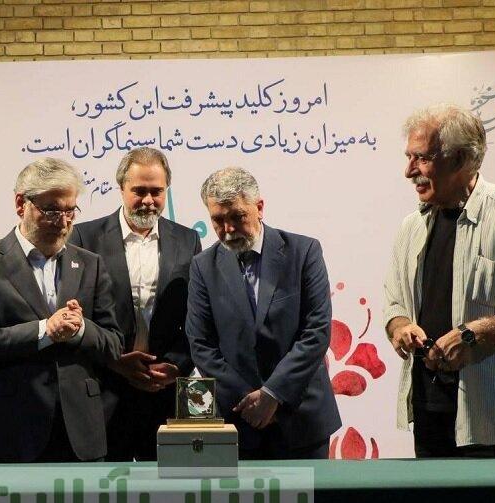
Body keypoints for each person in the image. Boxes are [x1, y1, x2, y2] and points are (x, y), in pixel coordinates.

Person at [384, 103, 495, 466]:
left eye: (422, 158)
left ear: (460, 159)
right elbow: (394, 302)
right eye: (409, 157)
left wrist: (477, 333)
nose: (409, 171)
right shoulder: (412, 226)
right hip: (432, 415)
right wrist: (400, 326)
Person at [0, 157, 123, 463]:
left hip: (80, 434)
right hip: (9, 430)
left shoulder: (90, 264)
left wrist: (80, 328)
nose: (63, 222)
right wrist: (45, 330)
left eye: (70, 211)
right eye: (52, 211)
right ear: (21, 204)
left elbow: (113, 344)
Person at [186, 167, 341, 459]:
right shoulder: (203, 267)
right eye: (218, 220)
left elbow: (316, 331)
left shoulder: (303, 252)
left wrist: (273, 395)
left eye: (237, 217)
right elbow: (201, 345)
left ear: (259, 208)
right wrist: (251, 403)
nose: (228, 229)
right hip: (239, 422)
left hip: (301, 420)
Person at [70, 148, 201, 461]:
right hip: (104, 390)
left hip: (165, 394)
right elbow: (76, 316)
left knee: (166, 487)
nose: (148, 200)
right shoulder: (84, 237)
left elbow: (197, 315)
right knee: (106, 486)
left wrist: (177, 366)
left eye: (157, 191)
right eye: (139, 191)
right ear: (121, 188)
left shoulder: (188, 240)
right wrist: (115, 361)